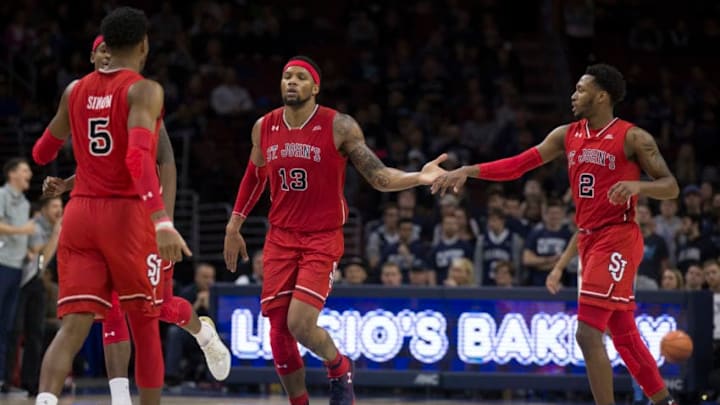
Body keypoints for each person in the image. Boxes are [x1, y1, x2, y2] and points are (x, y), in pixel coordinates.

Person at [434, 64, 680, 405]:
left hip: (618, 237)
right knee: (623, 333)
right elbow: (518, 165)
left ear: (602, 95)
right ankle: (664, 401)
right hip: (589, 239)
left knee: (587, 332)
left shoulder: (633, 137)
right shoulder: (567, 134)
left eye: (581, 89)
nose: (573, 94)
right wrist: (468, 171)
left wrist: (637, 185)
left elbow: (671, 187)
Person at [223, 55, 447, 405]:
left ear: (315, 87)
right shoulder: (263, 127)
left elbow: (378, 176)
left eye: (300, 77)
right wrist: (234, 224)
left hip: (321, 238)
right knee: (278, 333)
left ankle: (338, 366)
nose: (291, 82)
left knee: (299, 323)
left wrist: (418, 177)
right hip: (280, 237)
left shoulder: (338, 126)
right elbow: (254, 176)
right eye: (286, 77)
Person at [42, 35, 230, 405]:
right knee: (111, 311)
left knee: (158, 309)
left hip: (146, 224)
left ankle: (203, 332)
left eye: (112, 49)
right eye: (101, 49)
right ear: (93, 54)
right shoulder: (85, 100)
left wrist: (167, 222)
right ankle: (120, 399)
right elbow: (105, 170)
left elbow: (167, 164)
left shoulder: (139, 99)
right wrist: (67, 184)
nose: (107, 54)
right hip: (106, 221)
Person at [4, 196, 62, 396]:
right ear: (44, 209)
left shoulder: (52, 226)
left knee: (36, 334)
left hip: (35, 282)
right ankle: (7, 380)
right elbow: (41, 257)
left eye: (61, 206)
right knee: (15, 331)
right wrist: (55, 236)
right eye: (55, 206)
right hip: (21, 282)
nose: (59, 210)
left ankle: (30, 382)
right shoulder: (37, 226)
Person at [0, 158, 35, 393]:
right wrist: (24, 230)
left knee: (8, 326)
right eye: (24, 170)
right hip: (1, 264)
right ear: (12, 174)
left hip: (16, 268)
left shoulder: (24, 202)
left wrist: (29, 250)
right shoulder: (2, 195)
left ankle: (2, 379)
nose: (29, 174)